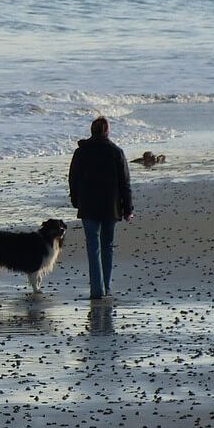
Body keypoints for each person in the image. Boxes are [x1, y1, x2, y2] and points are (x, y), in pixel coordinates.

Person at [68, 116, 133, 300]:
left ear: (92, 131)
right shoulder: (116, 152)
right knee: (107, 246)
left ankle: (96, 290)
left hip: (88, 206)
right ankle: (107, 287)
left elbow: (73, 179)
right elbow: (125, 183)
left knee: (93, 247)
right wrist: (128, 209)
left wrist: (75, 200)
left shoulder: (81, 152)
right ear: (107, 131)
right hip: (110, 207)